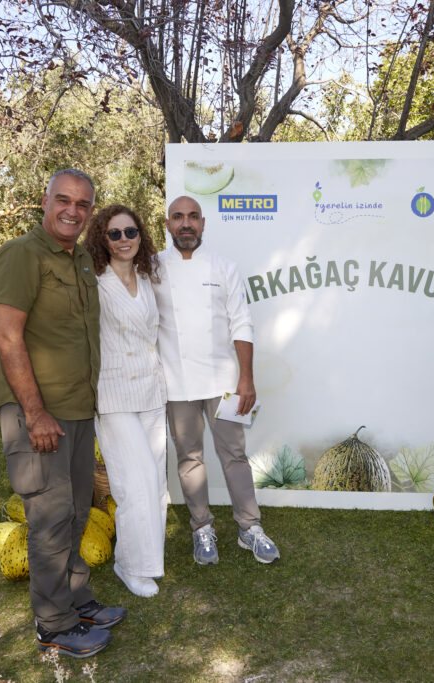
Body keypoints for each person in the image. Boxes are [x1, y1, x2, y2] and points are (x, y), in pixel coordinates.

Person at [0, 169, 125, 658]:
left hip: (77, 409)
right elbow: (6, 337)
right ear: (44, 201)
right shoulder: (20, 255)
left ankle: (76, 599)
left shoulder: (81, 258)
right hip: (39, 412)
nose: (72, 210)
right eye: (63, 200)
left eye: (83, 204)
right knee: (49, 517)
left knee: (77, 512)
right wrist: (35, 412)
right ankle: (54, 624)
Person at [152, 194, 280, 565]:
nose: (186, 223)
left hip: (224, 381)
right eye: (178, 217)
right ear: (168, 224)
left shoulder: (224, 267)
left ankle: (249, 527)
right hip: (176, 383)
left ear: (203, 223)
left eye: (193, 216)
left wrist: (247, 379)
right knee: (189, 459)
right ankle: (201, 528)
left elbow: (241, 322)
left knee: (235, 455)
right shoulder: (152, 268)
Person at [83, 205, 168, 599]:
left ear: (140, 235)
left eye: (130, 232)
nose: (123, 240)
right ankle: (130, 565)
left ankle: (148, 558)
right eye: (114, 233)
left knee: (156, 483)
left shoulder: (147, 276)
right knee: (134, 483)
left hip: (151, 390)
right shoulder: (93, 281)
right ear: (102, 238)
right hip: (114, 393)